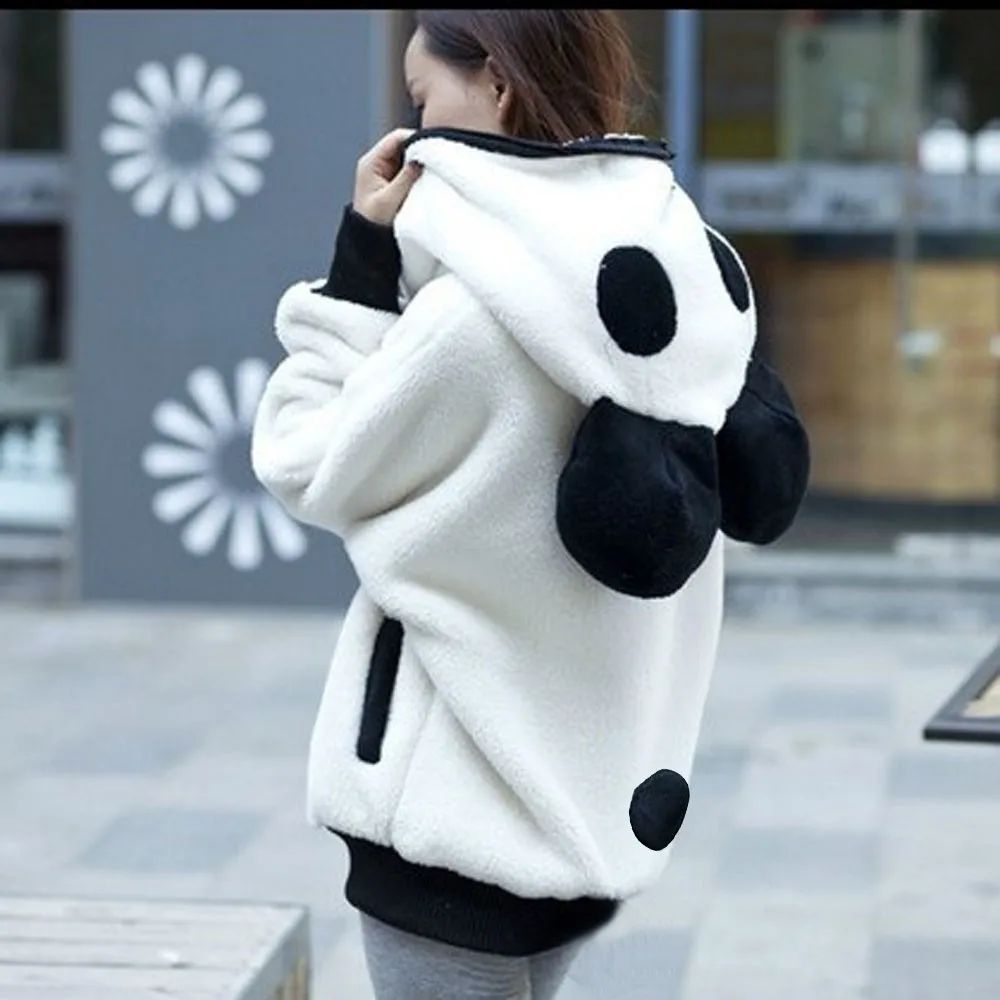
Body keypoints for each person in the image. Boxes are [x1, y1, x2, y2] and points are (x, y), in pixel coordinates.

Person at [251, 9, 810, 1000]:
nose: (414, 130)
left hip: (452, 807)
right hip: (584, 797)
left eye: (422, 99)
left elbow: (305, 459)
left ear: (498, 85)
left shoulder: (472, 314)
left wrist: (360, 264)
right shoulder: (686, 268)